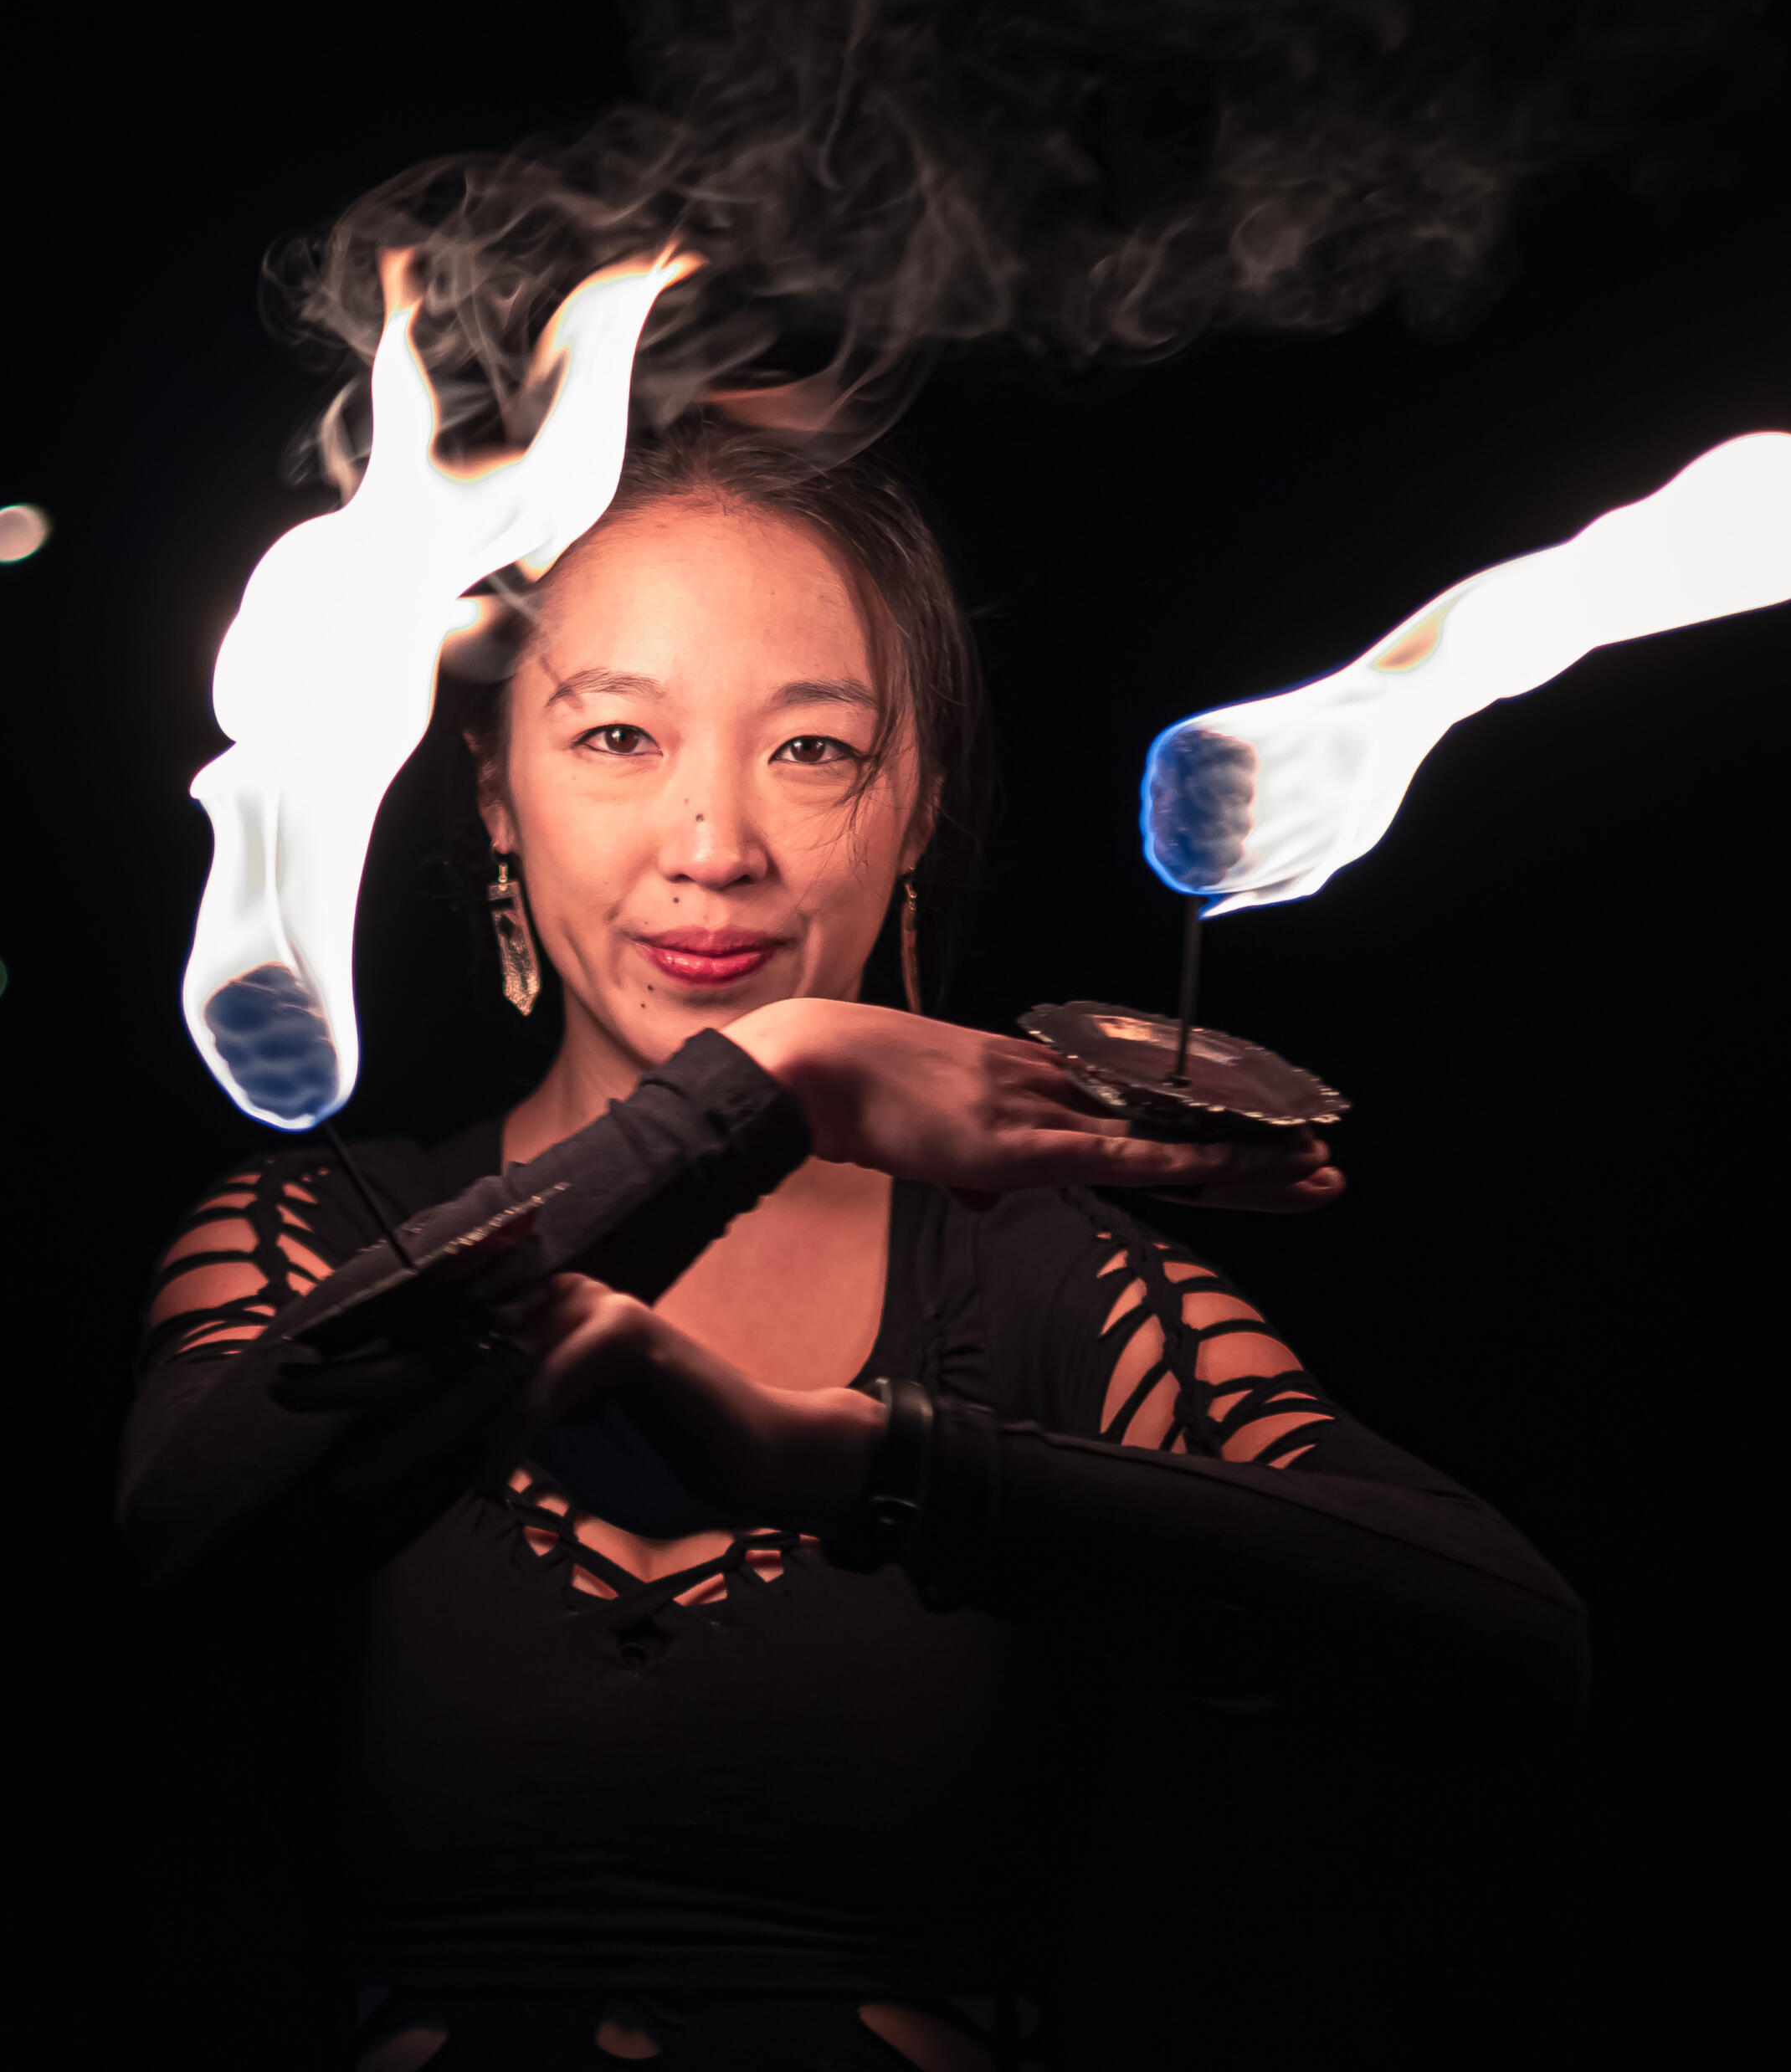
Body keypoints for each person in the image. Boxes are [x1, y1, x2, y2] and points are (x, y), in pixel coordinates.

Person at [118, 420, 1587, 2072]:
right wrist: (767, 1085)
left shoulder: (1052, 1287)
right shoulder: (309, 1232)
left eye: (812, 749)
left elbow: (1509, 1646)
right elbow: (185, 1555)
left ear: (919, 805)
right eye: (616, 733)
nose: (712, 845)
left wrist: (857, 1463)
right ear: (494, 794)